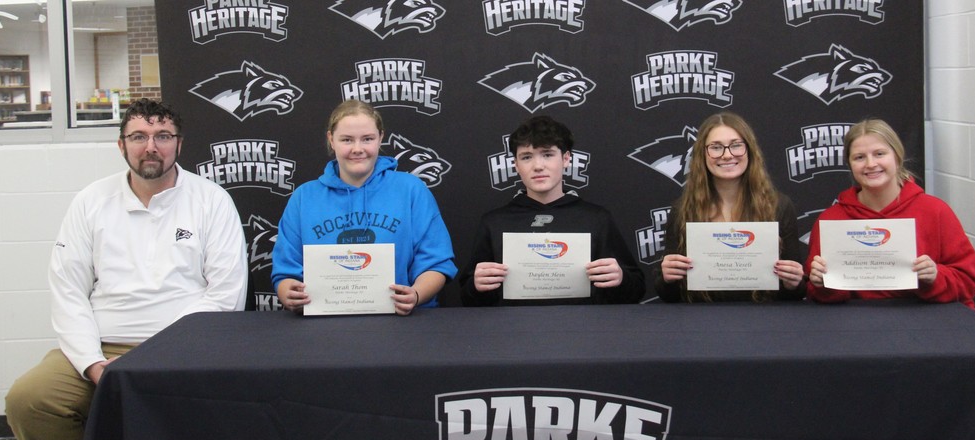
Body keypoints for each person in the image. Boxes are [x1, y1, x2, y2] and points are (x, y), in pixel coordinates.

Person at [4, 98, 248, 440]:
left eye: (163, 136)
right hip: (103, 349)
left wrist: (155, 357)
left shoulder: (211, 201)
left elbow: (226, 294)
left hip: (182, 351)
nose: (151, 147)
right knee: (28, 400)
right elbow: (68, 289)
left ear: (179, 145)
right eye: (139, 136)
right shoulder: (91, 201)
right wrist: (92, 363)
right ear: (121, 145)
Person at [272, 99, 456, 314]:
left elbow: (436, 262)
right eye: (347, 140)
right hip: (323, 326)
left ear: (380, 138)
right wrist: (288, 293)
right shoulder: (304, 197)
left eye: (367, 139)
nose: (357, 149)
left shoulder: (411, 190)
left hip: (402, 325)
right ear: (331, 140)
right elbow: (285, 272)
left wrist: (415, 295)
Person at [459, 115, 645, 306]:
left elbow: (636, 291)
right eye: (526, 157)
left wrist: (620, 279)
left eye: (547, 154)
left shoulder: (597, 218)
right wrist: (476, 286)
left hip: (584, 331)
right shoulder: (494, 222)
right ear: (515, 165)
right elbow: (467, 298)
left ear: (565, 158)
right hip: (514, 331)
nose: (538, 166)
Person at [806, 119, 975, 309]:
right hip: (855, 324)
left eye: (879, 154)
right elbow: (818, 295)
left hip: (926, 320)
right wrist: (822, 283)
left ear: (897, 157)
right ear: (850, 164)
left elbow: (968, 282)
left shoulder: (935, 211)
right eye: (859, 157)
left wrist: (935, 276)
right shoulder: (832, 220)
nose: (871, 164)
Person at [655, 111, 805, 302]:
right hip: (702, 322)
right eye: (716, 147)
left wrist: (793, 282)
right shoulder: (683, 210)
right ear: (703, 154)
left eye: (736, 145)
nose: (727, 155)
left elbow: (797, 293)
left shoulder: (779, 206)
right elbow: (669, 296)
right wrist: (667, 278)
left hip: (764, 322)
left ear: (749, 150)